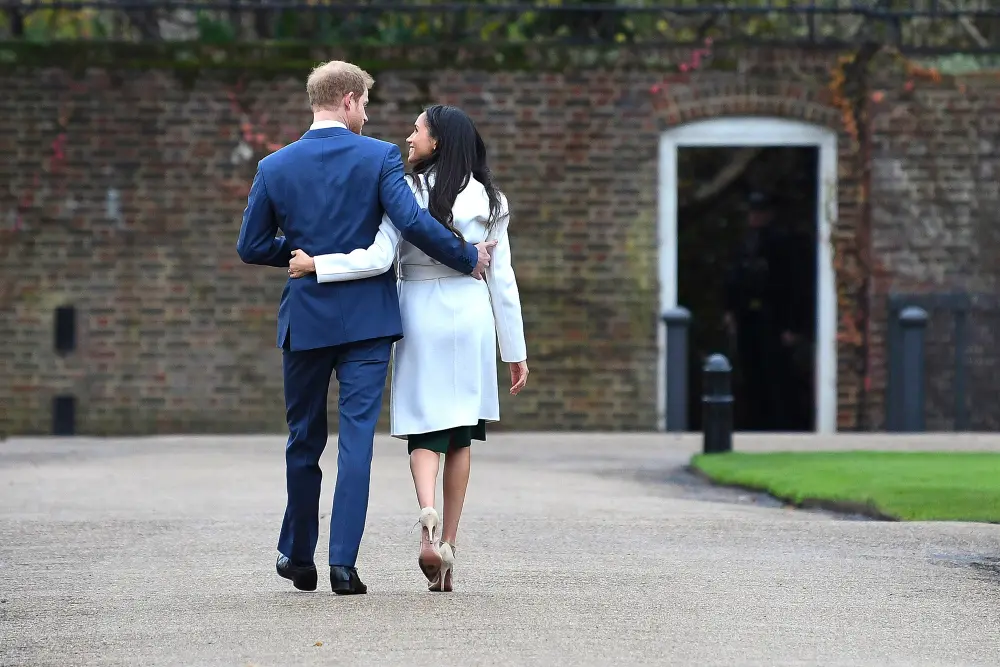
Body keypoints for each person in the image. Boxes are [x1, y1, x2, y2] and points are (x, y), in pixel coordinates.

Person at [236, 62, 497, 596]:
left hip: (306, 319)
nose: (369, 115)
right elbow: (414, 224)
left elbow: (250, 245)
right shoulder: (378, 156)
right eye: (367, 105)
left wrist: (305, 254)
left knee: (303, 441)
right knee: (356, 443)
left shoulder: (274, 166)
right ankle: (342, 567)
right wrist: (467, 256)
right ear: (351, 100)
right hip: (368, 323)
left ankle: (297, 556)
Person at [288, 104, 528, 592]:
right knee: (462, 432)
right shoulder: (492, 198)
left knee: (424, 425)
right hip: (472, 314)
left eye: (417, 129)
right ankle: (450, 549)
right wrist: (515, 351)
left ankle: (427, 517)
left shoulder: (407, 189)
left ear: (437, 141)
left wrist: (320, 265)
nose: (408, 135)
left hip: (419, 311)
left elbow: (378, 257)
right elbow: (503, 280)